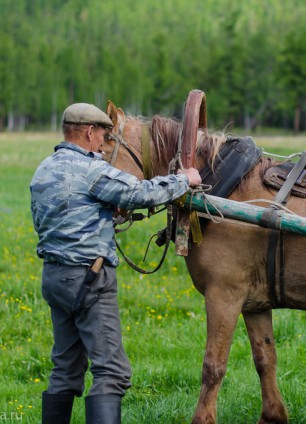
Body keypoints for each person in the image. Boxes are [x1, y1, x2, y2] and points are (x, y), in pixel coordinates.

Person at [30, 103, 201, 424]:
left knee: (65, 369)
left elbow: (60, 215)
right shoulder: (91, 169)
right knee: (112, 372)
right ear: (89, 132)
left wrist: (103, 213)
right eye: (103, 135)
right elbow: (138, 193)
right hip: (89, 279)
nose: (104, 144)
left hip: (54, 277)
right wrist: (183, 179)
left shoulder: (45, 168)